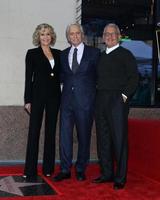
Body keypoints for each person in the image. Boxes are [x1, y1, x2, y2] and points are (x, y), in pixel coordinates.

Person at [93, 23, 139, 189]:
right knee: (103, 139)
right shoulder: (100, 56)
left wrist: (123, 97)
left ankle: (120, 178)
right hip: (101, 100)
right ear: (103, 37)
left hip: (117, 100)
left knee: (119, 140)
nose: (110, 36)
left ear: (119, 36)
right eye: (107, 34)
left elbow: (134, 78)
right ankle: (106, 174)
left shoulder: (126, 55)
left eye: (113, 34)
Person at [53, 23, 100, 181]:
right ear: (68, 37)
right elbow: (60, 77)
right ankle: (65, 169)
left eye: (77, 33)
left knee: (84, 136)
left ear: (82, 34)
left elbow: (100, 78)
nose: (75, 36)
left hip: (86, 103)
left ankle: (81, 168)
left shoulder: (94, 53)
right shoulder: (63, 54)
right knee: (64, 136)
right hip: (66, 102)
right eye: (71, 34)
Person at [23, 23, 61, 181]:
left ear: (52, 36)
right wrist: (27, 100)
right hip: (37, 96)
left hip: (54, 97)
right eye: (42, 34)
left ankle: (48, 168)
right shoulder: (32, 54)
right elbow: (28, 78)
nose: (45, 37)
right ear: (38, 37)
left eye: (48, 34)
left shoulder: (59, 54)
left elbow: (60, 76)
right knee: (34, 133)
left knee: (51, 132)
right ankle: (30, 170)